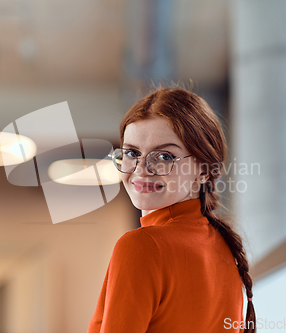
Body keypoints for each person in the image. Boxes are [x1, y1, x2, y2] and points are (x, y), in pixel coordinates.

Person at [87, 86, 256, 333]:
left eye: (164, 156)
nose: (141, 169)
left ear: (204, 169)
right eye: (132, 153)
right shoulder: (224, 247)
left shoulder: (141, 246)